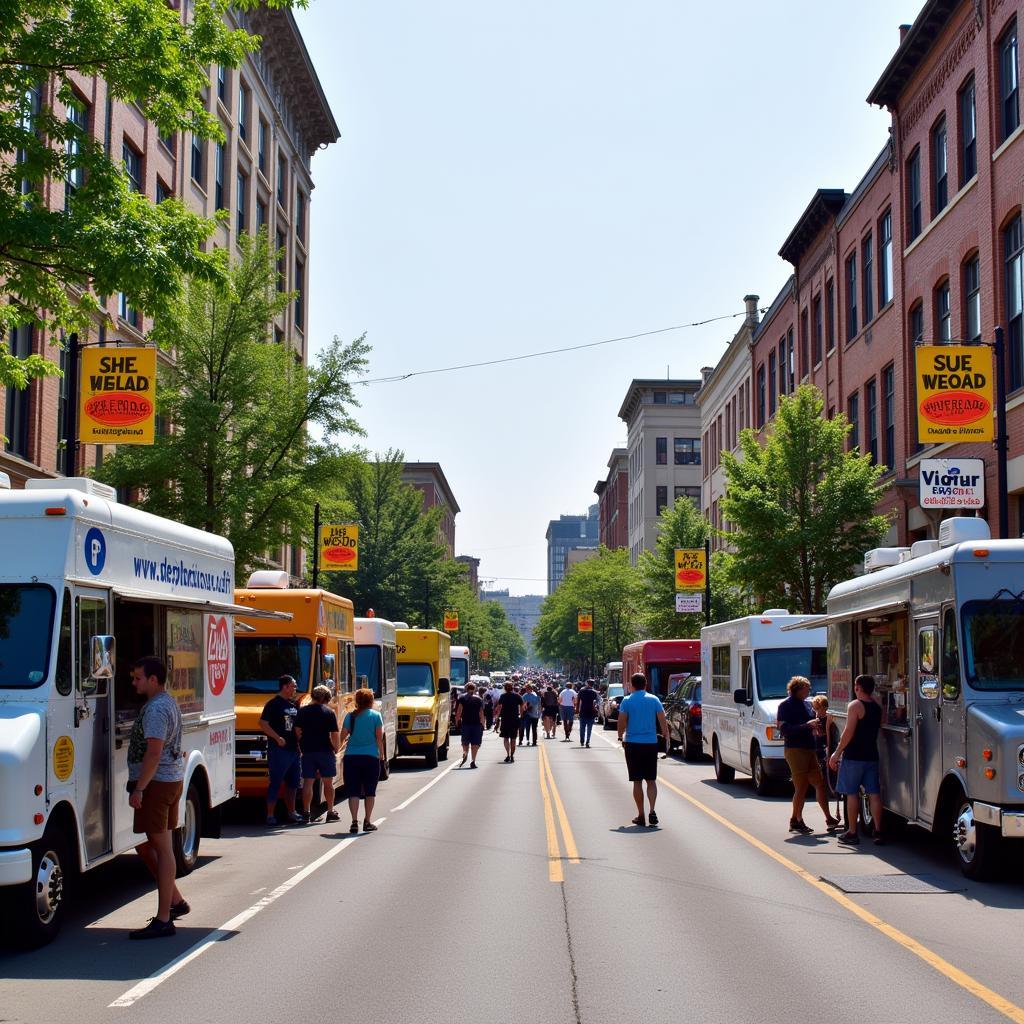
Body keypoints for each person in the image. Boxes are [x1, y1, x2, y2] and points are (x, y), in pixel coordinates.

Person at [126, 656, 186, 939]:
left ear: (153, 679)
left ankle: (164, 919)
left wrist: (140, 788)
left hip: (158, 784)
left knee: (163, 850)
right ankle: (175, 901)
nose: (133, 683)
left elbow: (153, 752)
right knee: (151, 845)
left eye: (138, 678)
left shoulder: (157, 710)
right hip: (170, 779)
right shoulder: (167, 702)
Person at [776, 676, 841, 835]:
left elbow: (811, 723)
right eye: (806, 688)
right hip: (795, 749)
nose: (809, 690)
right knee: (801, 786)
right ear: (797, 689)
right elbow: (784, 730)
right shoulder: (785, 706)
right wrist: (807, 726)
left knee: (819, 783)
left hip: (809, 748)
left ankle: (828, 818)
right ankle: (796, 820)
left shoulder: (807, 705)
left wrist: (816, 728)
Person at [828, 674, 884, 846]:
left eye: (855, 685)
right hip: (871, 755)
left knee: (851, 794)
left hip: (854, 756)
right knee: (874, 793)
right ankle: (878, 830)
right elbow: (882, 724)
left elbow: (848, 732)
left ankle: (852, 831)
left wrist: (837, 752)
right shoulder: (877, 705)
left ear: (858, 687)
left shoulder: (855, 705)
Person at [617, 672, 670, 827]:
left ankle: (641, 814)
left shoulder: (627, 701)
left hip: (633, 743)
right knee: (651, 780)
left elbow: (621, 721)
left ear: (632, 685)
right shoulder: (654, 700)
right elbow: (662, 719)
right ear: (645, 684)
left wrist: (620, 736)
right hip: (650, 743)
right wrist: (665, 735)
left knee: (637, 780)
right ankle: (652, 810)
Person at [259, 675, 304, 827]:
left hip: (294, 750)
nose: (295, 689)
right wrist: (277, 738)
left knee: (293, 784)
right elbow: (263, 724)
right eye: (293, 686)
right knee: (276, 782)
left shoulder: (294, 704)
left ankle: (292, 812)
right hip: (279, 751)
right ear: (284, 687)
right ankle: (270, 814)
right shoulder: (273, 704)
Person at [340, 687, 385, 834]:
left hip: (351, 757)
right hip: (371, 757)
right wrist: (382, 755)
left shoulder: (349, 717)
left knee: (353, 791)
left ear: (357, 701)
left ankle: (354, 822)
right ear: (371, 701)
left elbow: (342, 737)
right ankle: (367, 821)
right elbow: (379, 738)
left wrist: (337, 750)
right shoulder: (376, 716)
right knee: (370, 791)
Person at [295, 684, 341, 823]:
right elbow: (334, 733)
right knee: (328, 783)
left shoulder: (302, 712)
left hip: (308, 751)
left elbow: (297, 731)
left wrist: (301, 744)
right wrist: (336, 747)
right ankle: (330, 810)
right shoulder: (329, 713)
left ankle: (306, 812)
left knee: (308, 782)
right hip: (325, 751)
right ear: (326, 698)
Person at [456, 681, 485, 768]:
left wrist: (457, 721)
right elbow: (481, 713)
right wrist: (483, 724)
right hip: (476, 724)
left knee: (465, 743)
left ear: (466, 688)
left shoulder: (462, 698)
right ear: (474, 689)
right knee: (475, 744)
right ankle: (473, 760)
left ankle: (465, 753)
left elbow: (459, 712)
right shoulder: (479, 699)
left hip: (465, 724)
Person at [496, 680, 523, 763]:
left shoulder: (503, 696)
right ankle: (512, 755)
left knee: (506, 738)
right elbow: (522, 706)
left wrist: (497, 717)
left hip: (505, 719)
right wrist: (521, 715)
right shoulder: (517, 696)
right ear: (512, 687)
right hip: (514, 719)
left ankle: (508, 754)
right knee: (513, 738)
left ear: (505, 688)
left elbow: (499, 707)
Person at [575, 679, 600, 748]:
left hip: (583, 711)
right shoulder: (594, 692)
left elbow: (578, 701)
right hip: (591, 712)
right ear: (593, 684)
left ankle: (582, 741)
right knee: (589, 729)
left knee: (582, 728)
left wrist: (577, 710)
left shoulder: (581, 691)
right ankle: (587, 741)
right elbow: (597, 702)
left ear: (587, 683)